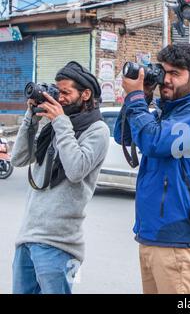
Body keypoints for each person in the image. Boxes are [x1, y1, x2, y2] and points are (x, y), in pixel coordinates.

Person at [114, 44, 190, 294]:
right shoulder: (165, 112)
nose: (166, 80)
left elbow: (155, 142)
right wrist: (144, 96)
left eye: (175, 73)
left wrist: (136, 100)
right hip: (153, 236)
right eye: (163, 71)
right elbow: (123, 136)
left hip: (179, 242)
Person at [11, 61, 110, 294]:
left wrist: (60, 122)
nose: (60, 98)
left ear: (85, 94)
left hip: (59, 245)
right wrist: (31, 118)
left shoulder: (97, 130)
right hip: (28, 237)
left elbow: (76, 170)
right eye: (58, 91)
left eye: (66, 92)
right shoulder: (56, 126)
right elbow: (18, 159)